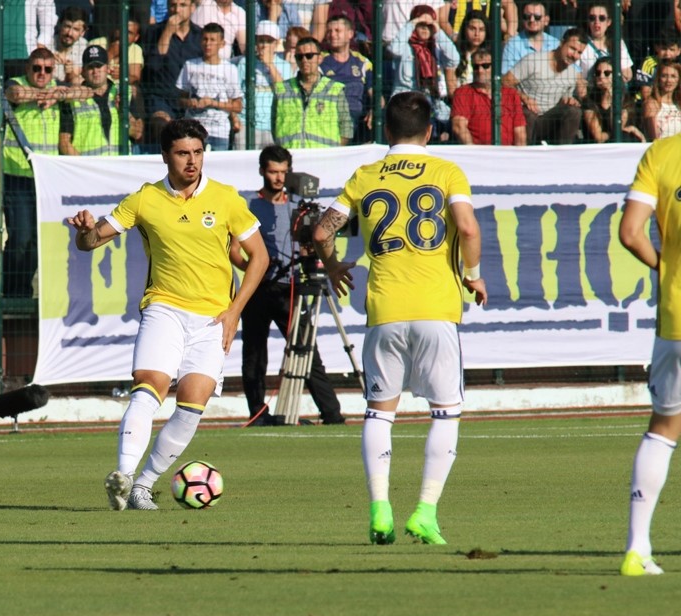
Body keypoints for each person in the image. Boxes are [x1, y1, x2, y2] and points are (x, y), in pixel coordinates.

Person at [65, 118, 269, 511]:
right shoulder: (145, 199)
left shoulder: (226, 198)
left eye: (198, 152)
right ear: (164, 156)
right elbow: (90, 242)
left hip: (213, 320)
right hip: (165, 308)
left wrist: (234, 313)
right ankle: (124, 475)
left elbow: (259, 257)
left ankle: (142, 486)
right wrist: (85, 230)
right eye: (182, 153)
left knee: (192, 404)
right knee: (150, 386)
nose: (192, 161)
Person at [311, 90, 486, 546]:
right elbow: (467, 227)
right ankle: (425, 511)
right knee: (445, 413)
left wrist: (333, 266)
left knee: (379, 412)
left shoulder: (365, 175)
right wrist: (474, 275)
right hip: (436, 309)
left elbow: (321, 230)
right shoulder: (447, 171)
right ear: (429, 131)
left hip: (384, 310)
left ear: (386, 130)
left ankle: (380, 510)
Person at [235, 145, 345, 427]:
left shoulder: (300, 206)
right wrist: (253, 269)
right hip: (259, 290)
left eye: (283, 172)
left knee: (308, 351)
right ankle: (258, 414)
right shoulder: (247, 205)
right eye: (273, 172)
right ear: (262, 171)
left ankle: (332, 414)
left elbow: (315, 241)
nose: (278, 178)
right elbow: (234, 251)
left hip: (291, 287)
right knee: (254, 354)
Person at [617, 126, 681, 575]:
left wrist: (666, 269)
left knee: (663, 427)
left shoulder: (662, 154)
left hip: (676, 317)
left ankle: (637, 548)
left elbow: (630, 232)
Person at [3, 48, 64, 299]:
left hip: (45, 179)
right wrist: (49, 94)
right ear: (27, 68)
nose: (42, 73)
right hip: (16, 173)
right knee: (20, 237)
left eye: (48, 69)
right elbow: (14, 94)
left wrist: (58, 93)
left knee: (38, 239)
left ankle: (24, 292)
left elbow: (82, 91)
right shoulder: (16, 83)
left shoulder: (58, 90)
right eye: (36, 68)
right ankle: (10, 294)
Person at [502, 27, 587, 145]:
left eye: (579, 53)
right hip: (524, 117)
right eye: (572, 49)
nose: (575, 55)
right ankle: (525, 153)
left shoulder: (572, 74)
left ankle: (563, 153)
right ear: (561, 43)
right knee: (528, 115)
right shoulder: (533, 60)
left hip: (548, 120)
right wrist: (524, 98)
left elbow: (563, 100)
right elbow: (504, 82)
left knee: (574, 112)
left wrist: (568, 100)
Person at [389, 5, 460, 139]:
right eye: (421, 25)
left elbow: (454, 58)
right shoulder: (405, 47)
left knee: (450, 121)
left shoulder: (437, 48)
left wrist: (438, 31)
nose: (425, 28)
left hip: (433, 102)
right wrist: (413, 23)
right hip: (407, 101)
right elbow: (394, 49)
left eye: (429, 26)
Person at [142, 0, 203, 149]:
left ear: (192, 8)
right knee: (163, 127)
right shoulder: (154, 31)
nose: (177, 10)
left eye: (182, 5)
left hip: (189, 99)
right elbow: (153, 66)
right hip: (161, 97)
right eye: (173, 5)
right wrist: (168, 32)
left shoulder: (200, 35)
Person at [273, 35, 352, 148]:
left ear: (320, 58)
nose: (304, 60)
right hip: (290, 155)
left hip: (324, 157)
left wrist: (333, 153)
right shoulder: (282, 89)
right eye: (299, 57)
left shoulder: (335, 89)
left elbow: (346, 129)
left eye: (309, 56)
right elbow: (274, 127)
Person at [60, 44, 139, 156]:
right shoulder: (72, 100)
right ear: (83, 71)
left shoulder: (124, 92)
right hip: (89, 165)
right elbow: (64, 143)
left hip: (120, 165)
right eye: (91, 67)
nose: (95, 71)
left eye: (99, 66)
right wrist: (83, 164)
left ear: (107, 68)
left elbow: (137, 133)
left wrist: (123, 111)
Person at [175, 23, 243, 150]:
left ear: (222, 43)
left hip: (219, 131)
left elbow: (238, 106)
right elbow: (180, 99)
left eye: (212, 40)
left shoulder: (230, 69)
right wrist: (190, 102)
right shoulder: (190, 65)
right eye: (205, 39)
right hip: (193, 130)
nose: (208, 44)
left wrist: (212, 103)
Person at [234, 20, 293, 150]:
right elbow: (235, 93)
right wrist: (235, 118)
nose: (264, 45)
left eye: (269, 41)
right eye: (261, 40)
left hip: (272, 126)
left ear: (276, 43)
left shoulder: (285, 66)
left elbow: (285, 93)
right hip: (246, 124)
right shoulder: (244, 63)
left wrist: (269, 64)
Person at [451, 46, 528, 144]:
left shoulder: (511, 94)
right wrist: (472, 151)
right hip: (476, 151)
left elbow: (520, 132)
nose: (480, 70)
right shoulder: (463, 93)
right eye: (476, 67)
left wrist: (519, 153)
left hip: (508, 151)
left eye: (485, 66)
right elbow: (459, 126)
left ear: (495, 67)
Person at [319, 13, 374, 144]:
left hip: (358, 121)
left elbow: (376, 95)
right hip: (330, 120)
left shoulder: (362, 62)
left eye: (337, 31)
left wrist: (374, 110)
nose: (332, 35)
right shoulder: (320, 62)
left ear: (350, 34)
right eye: (329, 31)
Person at [583, 57, 645, 143]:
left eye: (607, 73)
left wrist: (613, 100)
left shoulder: (626, 101)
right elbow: (599, 137)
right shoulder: (589, 102)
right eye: (598, 73)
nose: (601, 76)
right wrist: (631, 129)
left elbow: (616, 127)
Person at [577, 2, 634, 84]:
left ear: (609, 22)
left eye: (602, 18)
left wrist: (609, 80)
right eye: (592, 18)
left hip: (612, 89)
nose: (597, 22)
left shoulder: (617, 42)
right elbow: (574, 74)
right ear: (588, 21)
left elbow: (628, 74)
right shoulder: (580, 43)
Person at [500, 0, 560, 74]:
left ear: (546, 20)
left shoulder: (555, 44)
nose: (532, 20)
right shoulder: (512, 45)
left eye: (537, 17)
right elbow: (506, 77)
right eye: (527, 17)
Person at [52, 6, 91, 84]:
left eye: (76, 29)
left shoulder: (84, 47)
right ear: (59, 25)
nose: (69, 33)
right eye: (67, 26)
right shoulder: (46, 43)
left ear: (83, 32)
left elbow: (74, 80)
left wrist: (70, 72)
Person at [643, 61, 681, 140]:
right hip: (662, 146)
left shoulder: (679, 104)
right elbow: (654, 138)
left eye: (673, 76)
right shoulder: (652, 103)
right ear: (658, 79)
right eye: (664, 76)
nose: (668, 80)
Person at [453, 10, 488, 86]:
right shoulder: (454, 53)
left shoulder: (491, 56)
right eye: (472, 29)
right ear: (464, 30)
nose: (477, 34)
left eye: (481, 30)